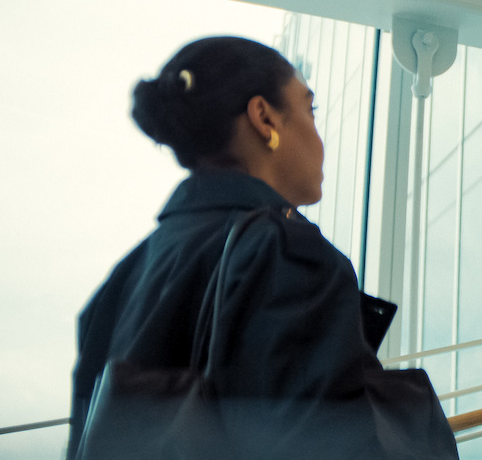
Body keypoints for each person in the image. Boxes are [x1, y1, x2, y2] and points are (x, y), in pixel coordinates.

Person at [67, 36, 456, 459]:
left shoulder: (123, 279)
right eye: (310, 109)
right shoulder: (284, 250)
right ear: (264, 118)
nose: (318, 135)